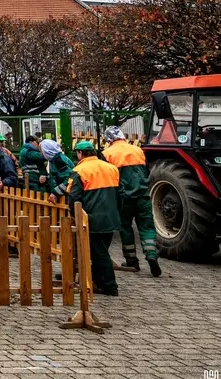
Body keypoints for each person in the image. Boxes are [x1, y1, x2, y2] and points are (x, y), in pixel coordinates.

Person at [102, 126, 161, 277]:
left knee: (125, 227)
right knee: (147, 226)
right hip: (143, 195)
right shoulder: (137, 150)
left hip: (124, 198)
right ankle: (152, 256)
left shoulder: (107, 154)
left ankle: (131, 260)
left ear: (109, 140)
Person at [65, 140, 121, 296]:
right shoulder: (112, 168)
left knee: (100, 254)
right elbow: (120, 192)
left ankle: (111, 286)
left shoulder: (79, 170)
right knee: (100, 252)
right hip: (111, 218)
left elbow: (73, 197)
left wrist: (75, 215)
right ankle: (98, 282)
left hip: (92, 219)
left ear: (80, 153)